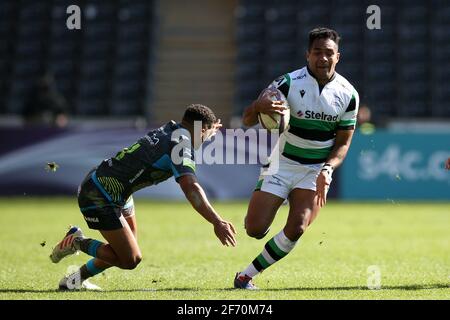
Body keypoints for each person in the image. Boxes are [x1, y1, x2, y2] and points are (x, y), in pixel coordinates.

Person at [50, 104, 237, 290]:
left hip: (114, 187)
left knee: (124, 248)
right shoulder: (181, 142)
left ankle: (72, 281)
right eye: (206, 134)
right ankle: (76, 241)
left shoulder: (173, 129)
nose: (205, 139)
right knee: (130, 259)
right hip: (100, 194)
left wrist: (204, 132)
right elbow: (190, 186)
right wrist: (216, 221)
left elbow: (188, 139)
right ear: (202, 129)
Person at [234, 27, 359, 289]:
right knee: (254, 229)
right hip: (282, 162)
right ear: (307, 55)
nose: (322, 58)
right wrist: (258, 107)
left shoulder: (348, 94)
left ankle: (246, 276)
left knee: (298, 226)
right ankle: (265, 215)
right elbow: (246, 120)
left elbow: (343, 142)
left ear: (338, 57)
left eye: (328, 53)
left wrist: (328, 169)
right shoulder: (286, 83)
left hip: (315, 169)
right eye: (317, 53)